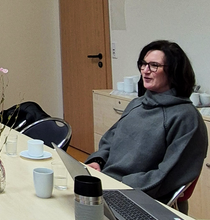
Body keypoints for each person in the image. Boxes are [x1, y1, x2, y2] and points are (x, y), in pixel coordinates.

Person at [85, 40, 208, 206]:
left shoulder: (186, 118)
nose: (145, 70)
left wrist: (117, 185)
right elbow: (109, 141)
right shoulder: (137, 104)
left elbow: (166, 177)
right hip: (107, 186)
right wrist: (97, 162)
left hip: (141, 199)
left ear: (173, 71)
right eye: (143, 64)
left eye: (154, 65)